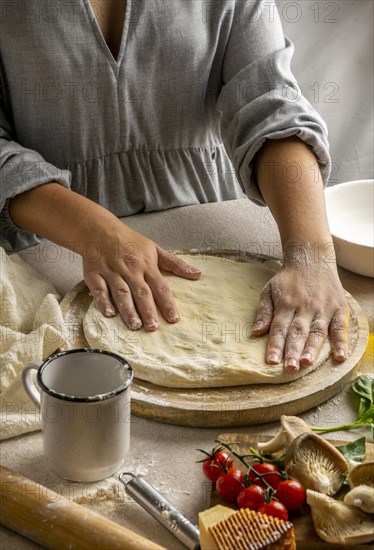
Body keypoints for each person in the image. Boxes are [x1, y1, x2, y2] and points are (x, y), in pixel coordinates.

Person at [0, 0, 349, 373]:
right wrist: (90, 228)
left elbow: (270, 106)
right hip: (44, 254)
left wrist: (310, 252)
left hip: (206, 241)